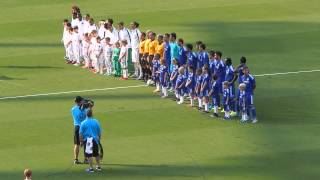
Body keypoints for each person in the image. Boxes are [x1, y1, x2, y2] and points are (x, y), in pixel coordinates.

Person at [71, 96, 86, 164]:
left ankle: (76, 159)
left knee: (76, 144)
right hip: (83, 127)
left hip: (76, 128)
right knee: (85, 143)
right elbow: (87, 115)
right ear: (80, 102)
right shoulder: (84, 110)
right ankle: (86, 159)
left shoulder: (72, 109)